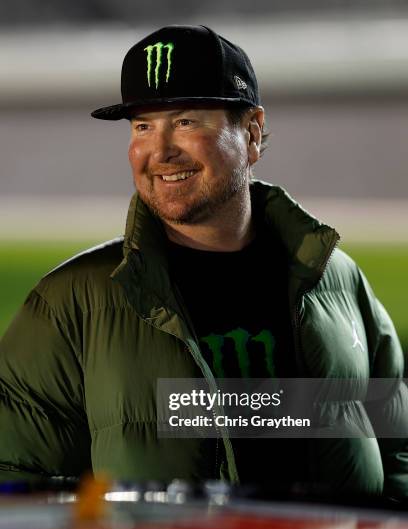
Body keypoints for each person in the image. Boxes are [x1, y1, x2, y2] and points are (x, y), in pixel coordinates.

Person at [0, 25, 407, 501]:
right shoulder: (70, 305)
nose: (160, 151)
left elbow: (398, 447)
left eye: (187, 122)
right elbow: (15, 487)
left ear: (252, 133)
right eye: (143, 126)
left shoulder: (336, 280)